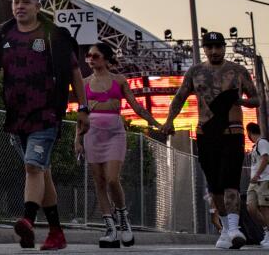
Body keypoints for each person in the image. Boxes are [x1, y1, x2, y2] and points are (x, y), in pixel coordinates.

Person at [0, 0, 90, 251]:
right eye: (16, 2)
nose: (20, 6)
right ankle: (56, 233)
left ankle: (27, 219)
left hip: (47, 113)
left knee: (33, 167)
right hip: (17, 116)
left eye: (26, 2)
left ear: (38, 7)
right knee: (42, 170)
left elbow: (74, 72)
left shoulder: (54, 35)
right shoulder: (4, 34)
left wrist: (83, 108)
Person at [164, 30, 260, 250]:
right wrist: (169, 120)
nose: (215, 51)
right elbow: (179, 98)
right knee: (215, 185)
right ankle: (226, 229)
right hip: (206, 132)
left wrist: (241, 102)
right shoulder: (195, 72)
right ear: (204, 49)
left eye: (218, 47)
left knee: (231, 181)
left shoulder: (238, 71)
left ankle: (235, 228)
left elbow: (256, 99)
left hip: (233, 132)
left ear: (224, 47)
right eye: (210, 47)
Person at [72, 42, 161, 247]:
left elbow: (136, 106)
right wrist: (77, 139)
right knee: (99, 182)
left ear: (105, 58)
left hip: (114, 134)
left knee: (112, 179)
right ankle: (110, 228)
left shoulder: (119, 80)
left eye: (95, 56)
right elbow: (81, 115)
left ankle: (123, 219)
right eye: (89, 56)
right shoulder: (84, 83)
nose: (91, 59)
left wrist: (157, 124)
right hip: (92, 134)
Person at [246, 123, 269, 248]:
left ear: (249, 132)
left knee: (264, 207)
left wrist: (258, 175)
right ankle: (266, 229)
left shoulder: (262, 143)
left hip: (263, 179)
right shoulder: (255, 146)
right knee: (251, 207)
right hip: (254, 181)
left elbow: (266, 158)